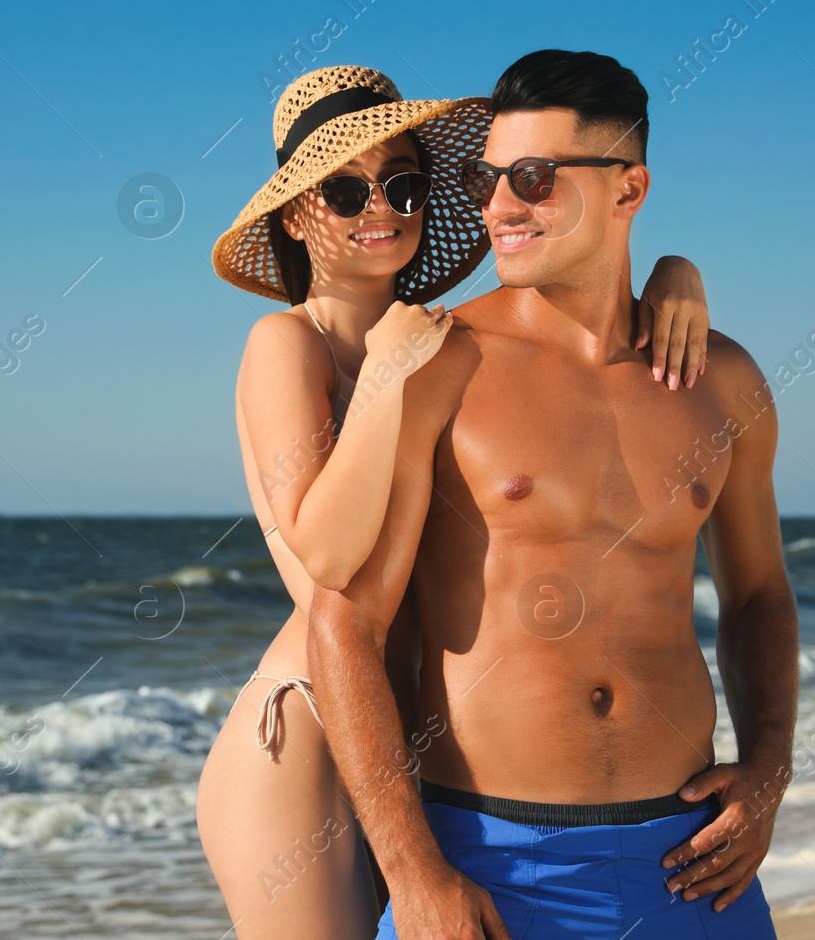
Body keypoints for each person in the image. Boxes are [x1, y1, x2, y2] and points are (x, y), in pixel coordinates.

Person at [199, 64, 716, 939]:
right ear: (295, 214)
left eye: (404, 183)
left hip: (409, 743)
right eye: (345, 189)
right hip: (311, 737)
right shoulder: (286, 345)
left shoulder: (436, 337)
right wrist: (389, 373)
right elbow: (326, 556)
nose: (383, 207)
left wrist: (673, 269)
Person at [306, 50, 798, 939]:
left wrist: (769, 768)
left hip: (694, 862)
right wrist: (413, 872)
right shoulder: (433, 364)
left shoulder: (724, 383)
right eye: (484, 178)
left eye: (532, 179)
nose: (498, 205)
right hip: (492, 863)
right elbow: (345, 622)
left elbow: (758, 590)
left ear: (628, 189)